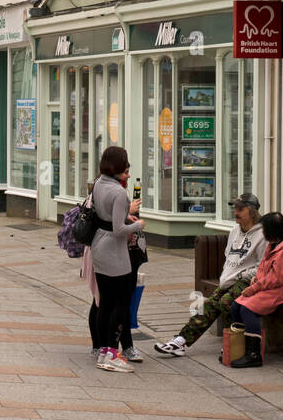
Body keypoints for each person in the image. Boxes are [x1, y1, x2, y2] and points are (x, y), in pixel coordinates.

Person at [154, 192, 266, 356]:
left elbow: (262, 266)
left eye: (240, 209)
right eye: (235, 208)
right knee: (207, 306)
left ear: (252, 211)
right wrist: (226, 277)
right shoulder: (235, 230)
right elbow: (229, 256)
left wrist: (241, 276)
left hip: (248, 280)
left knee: (225, 301)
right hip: (230, 279)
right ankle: (180, 341)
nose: (236, 212)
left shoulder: (263, 235)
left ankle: (231, 343)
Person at [227, 211, 283, 369]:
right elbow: (264, 269)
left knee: (247, 308)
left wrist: (254, 288)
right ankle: (240, 347)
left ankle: (254, 355)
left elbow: (278, 279)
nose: (262, 233)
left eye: (264, 229)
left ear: (272, 230)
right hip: (271, 287)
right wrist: (256, 279)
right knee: (236, 305)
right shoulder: (274, 245)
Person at [90, 146, 144, 372]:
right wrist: (137, 225)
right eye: (125, 169)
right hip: (115, 251)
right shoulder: (119, 192)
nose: (128, 174)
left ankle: (103, 350)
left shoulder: (98, 185)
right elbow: (119, 229)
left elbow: (106, 217)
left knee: (105, 302)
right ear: (116, 168)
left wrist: (123, 216)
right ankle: (113, 353)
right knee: (122, 304)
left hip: (98, 247)